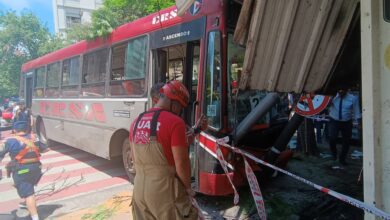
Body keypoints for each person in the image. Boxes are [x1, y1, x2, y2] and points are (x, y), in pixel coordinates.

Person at [130, 80, 198, 219]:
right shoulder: (175, 122)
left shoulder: (136, 122)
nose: (180, 111)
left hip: (139, 190)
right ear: (174, 102)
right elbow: (181, 163)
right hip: (164, 192)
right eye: (180, 106)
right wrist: (187, 188)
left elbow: (134, 158)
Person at [0, 121, 49, 220]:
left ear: (14, 130)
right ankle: (26, 201)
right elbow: (44, 149)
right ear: (27, 129)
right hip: (37, 170)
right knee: (24, 185)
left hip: (22, 171)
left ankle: (35, 217)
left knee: (29, 194)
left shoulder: (10, 141)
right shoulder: (34, 138)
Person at [328, 89, 362, 165]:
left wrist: (360, 124)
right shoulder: (333, 96)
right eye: (339, 91)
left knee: (346, 141)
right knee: (332, 138)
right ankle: (334, 154)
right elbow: (326, 105)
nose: (340, 92)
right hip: (334, 120)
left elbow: (357, 112)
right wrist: (330, 100)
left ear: (347, 91)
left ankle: (342, 159)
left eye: (342, 91)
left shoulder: (353, 98)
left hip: (346, 122)